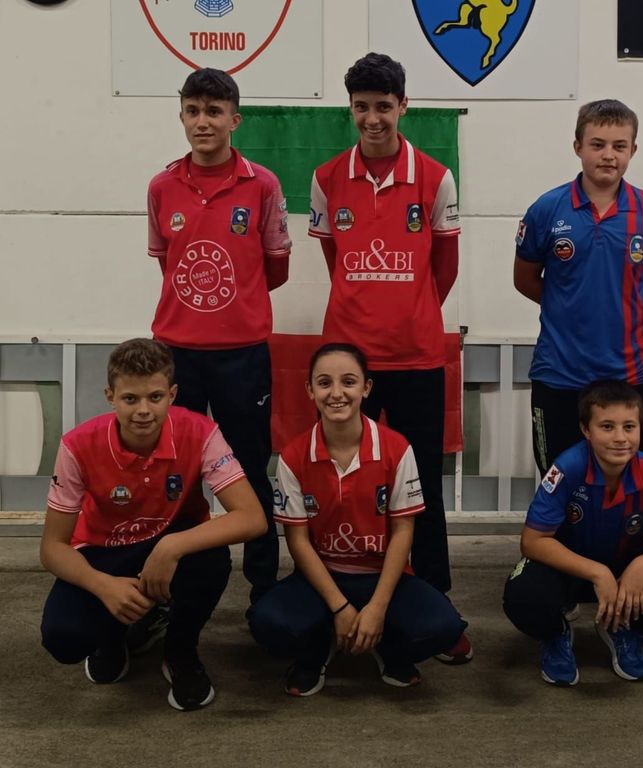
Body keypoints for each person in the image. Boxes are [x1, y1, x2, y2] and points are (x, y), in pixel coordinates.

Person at [308, 52, 471, 663]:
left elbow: (443, 269)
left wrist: (409, 311)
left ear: (403, 106)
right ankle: (335, 601)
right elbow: (335, 262)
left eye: (383, 106)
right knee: (342, 481)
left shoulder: (436, 176)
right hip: (348, 364)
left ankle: (436, 607)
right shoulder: (327, 178)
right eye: (362, 107)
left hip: (416, 357)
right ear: (350, 109)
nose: (372, 118)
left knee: (420, 483)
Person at [39, 339, 266, 711]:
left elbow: (252, 517)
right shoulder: (77, 445)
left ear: (172, 394)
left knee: (211, 560)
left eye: (155, 397)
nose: (143, 410)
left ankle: (180, 649)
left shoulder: (201, 432)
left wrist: (171, 547)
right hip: (103, 550)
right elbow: (52, 548)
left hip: (170, 538)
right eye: (130, 399)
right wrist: (103, 586)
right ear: (110, 397)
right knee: (63, 638)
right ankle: (114, 637)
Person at [147, 67, 291, 607]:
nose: (202, 122)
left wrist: (235, 308)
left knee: (250, 467)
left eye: (213, 111)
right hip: (176, 354)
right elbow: (168, 264)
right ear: (181, 116)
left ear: (235, 119)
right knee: (176, 472)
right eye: (193, 111)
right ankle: (178, 581)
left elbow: (275, 267)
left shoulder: (263, 185)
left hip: (242, 355)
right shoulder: (161, 186)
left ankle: (263, 590)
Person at [248, 343, 467, 695]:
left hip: (383, 577)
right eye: (324, 383)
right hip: (322, 579)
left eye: (348, 382)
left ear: (366, 388)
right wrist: (340, 607)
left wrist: (377, 607)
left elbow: (403, 533)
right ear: (310, 391)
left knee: (444, 628)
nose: (336, 393)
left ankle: (386, 646)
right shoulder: (292, 456)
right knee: (266, 624)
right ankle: (317, 648)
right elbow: (298, 542)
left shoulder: (397, 448)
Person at [502, 381, 643, 686]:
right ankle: (555, 633)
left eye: (629, 427)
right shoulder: (567, 468)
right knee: (521, 597)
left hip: (624, 566)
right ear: (586, 429)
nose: (620, 438)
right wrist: (597, 572)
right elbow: (533, 541)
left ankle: (624, 625)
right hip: (568, 567)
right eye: (607, 427)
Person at [514, 100, 643, 474]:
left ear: (633, 150)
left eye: (619, 146)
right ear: (578, 147)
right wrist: (568, 304)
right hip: (561, 372)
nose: (608, 155)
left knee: (631, 479)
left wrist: (620, 306)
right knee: (560, 480)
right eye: (597, 144)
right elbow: (524, 279)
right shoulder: (547, 209)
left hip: (633, 372)